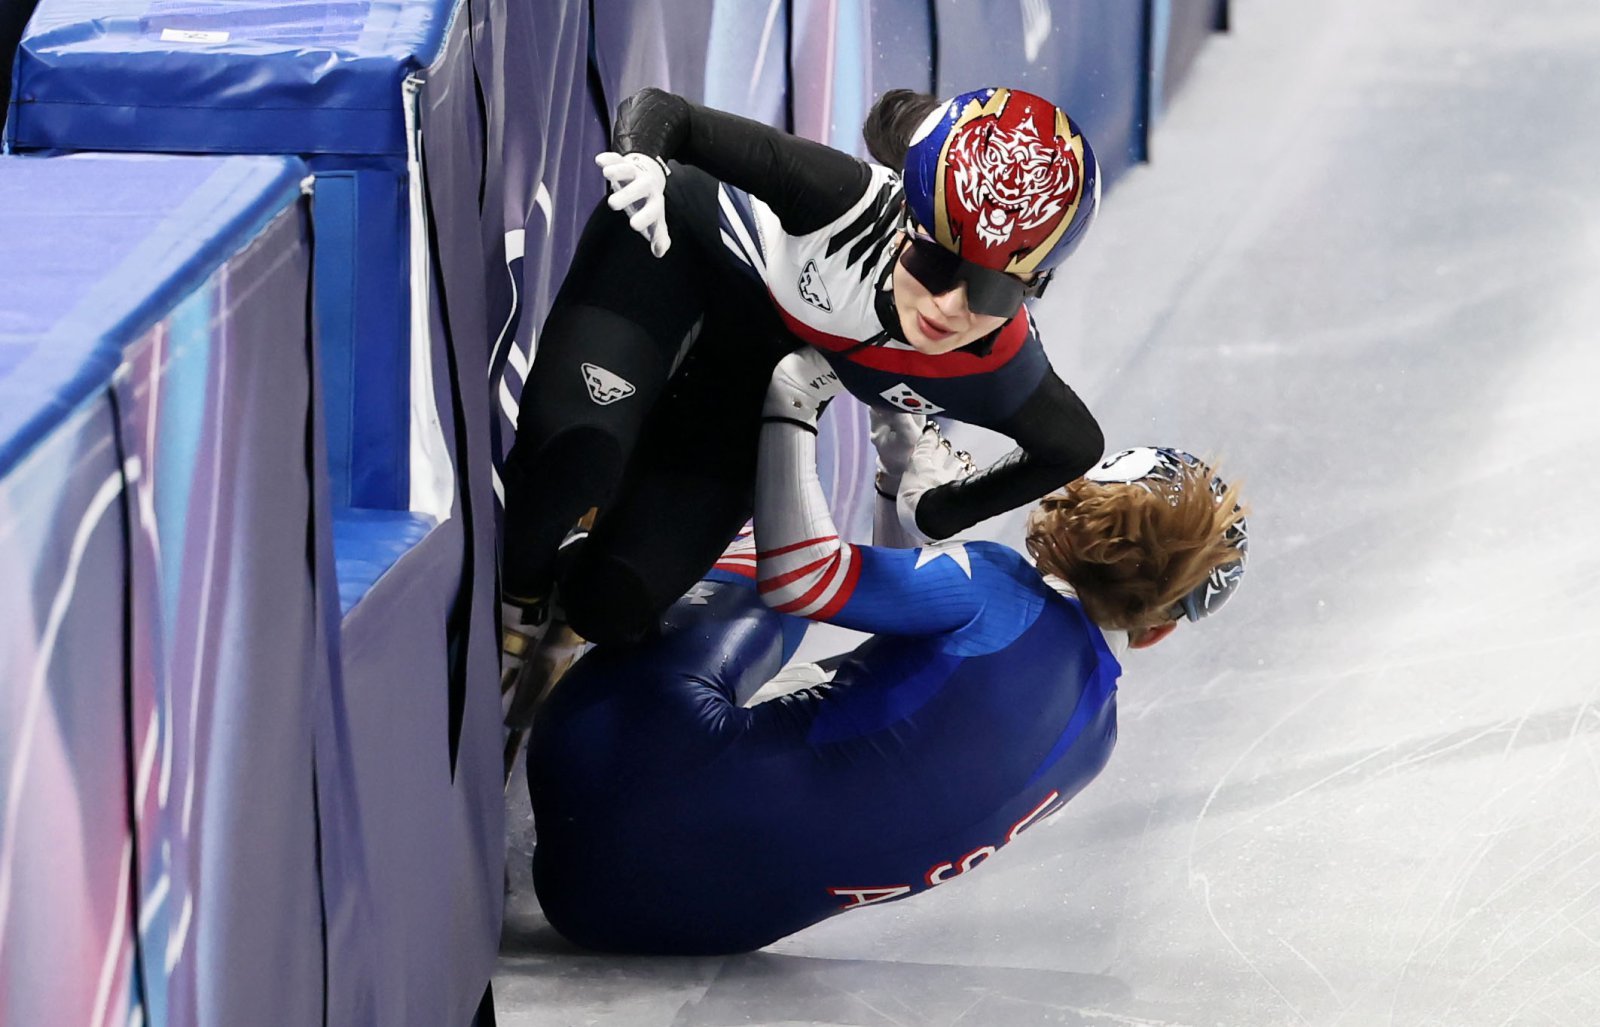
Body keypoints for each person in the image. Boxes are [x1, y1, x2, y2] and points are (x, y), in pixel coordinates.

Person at [524, 350, 1248, 955]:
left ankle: (565, 568)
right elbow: (898, 688)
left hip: (599, 765)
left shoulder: (998, 590)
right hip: (672, 924)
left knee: (774, 570)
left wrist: (794, 401)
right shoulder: (1096, 740)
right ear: (1159, 630)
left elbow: (804, 577)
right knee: (824, 681)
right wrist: (894, 477)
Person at [500, 85, 1107, 659]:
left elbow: (1076, 447)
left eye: (994, 291)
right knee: (577, 454)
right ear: (904, 221)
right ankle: (519, 598)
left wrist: (938, 511)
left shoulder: (1000, 370)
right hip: (672, 255)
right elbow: (665, 113)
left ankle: (580, 554)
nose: (950, 307)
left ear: (1033, 290)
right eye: (935, 263)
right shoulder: (841, 199)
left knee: (612, 604)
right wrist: (645, 163)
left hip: (749, 369)